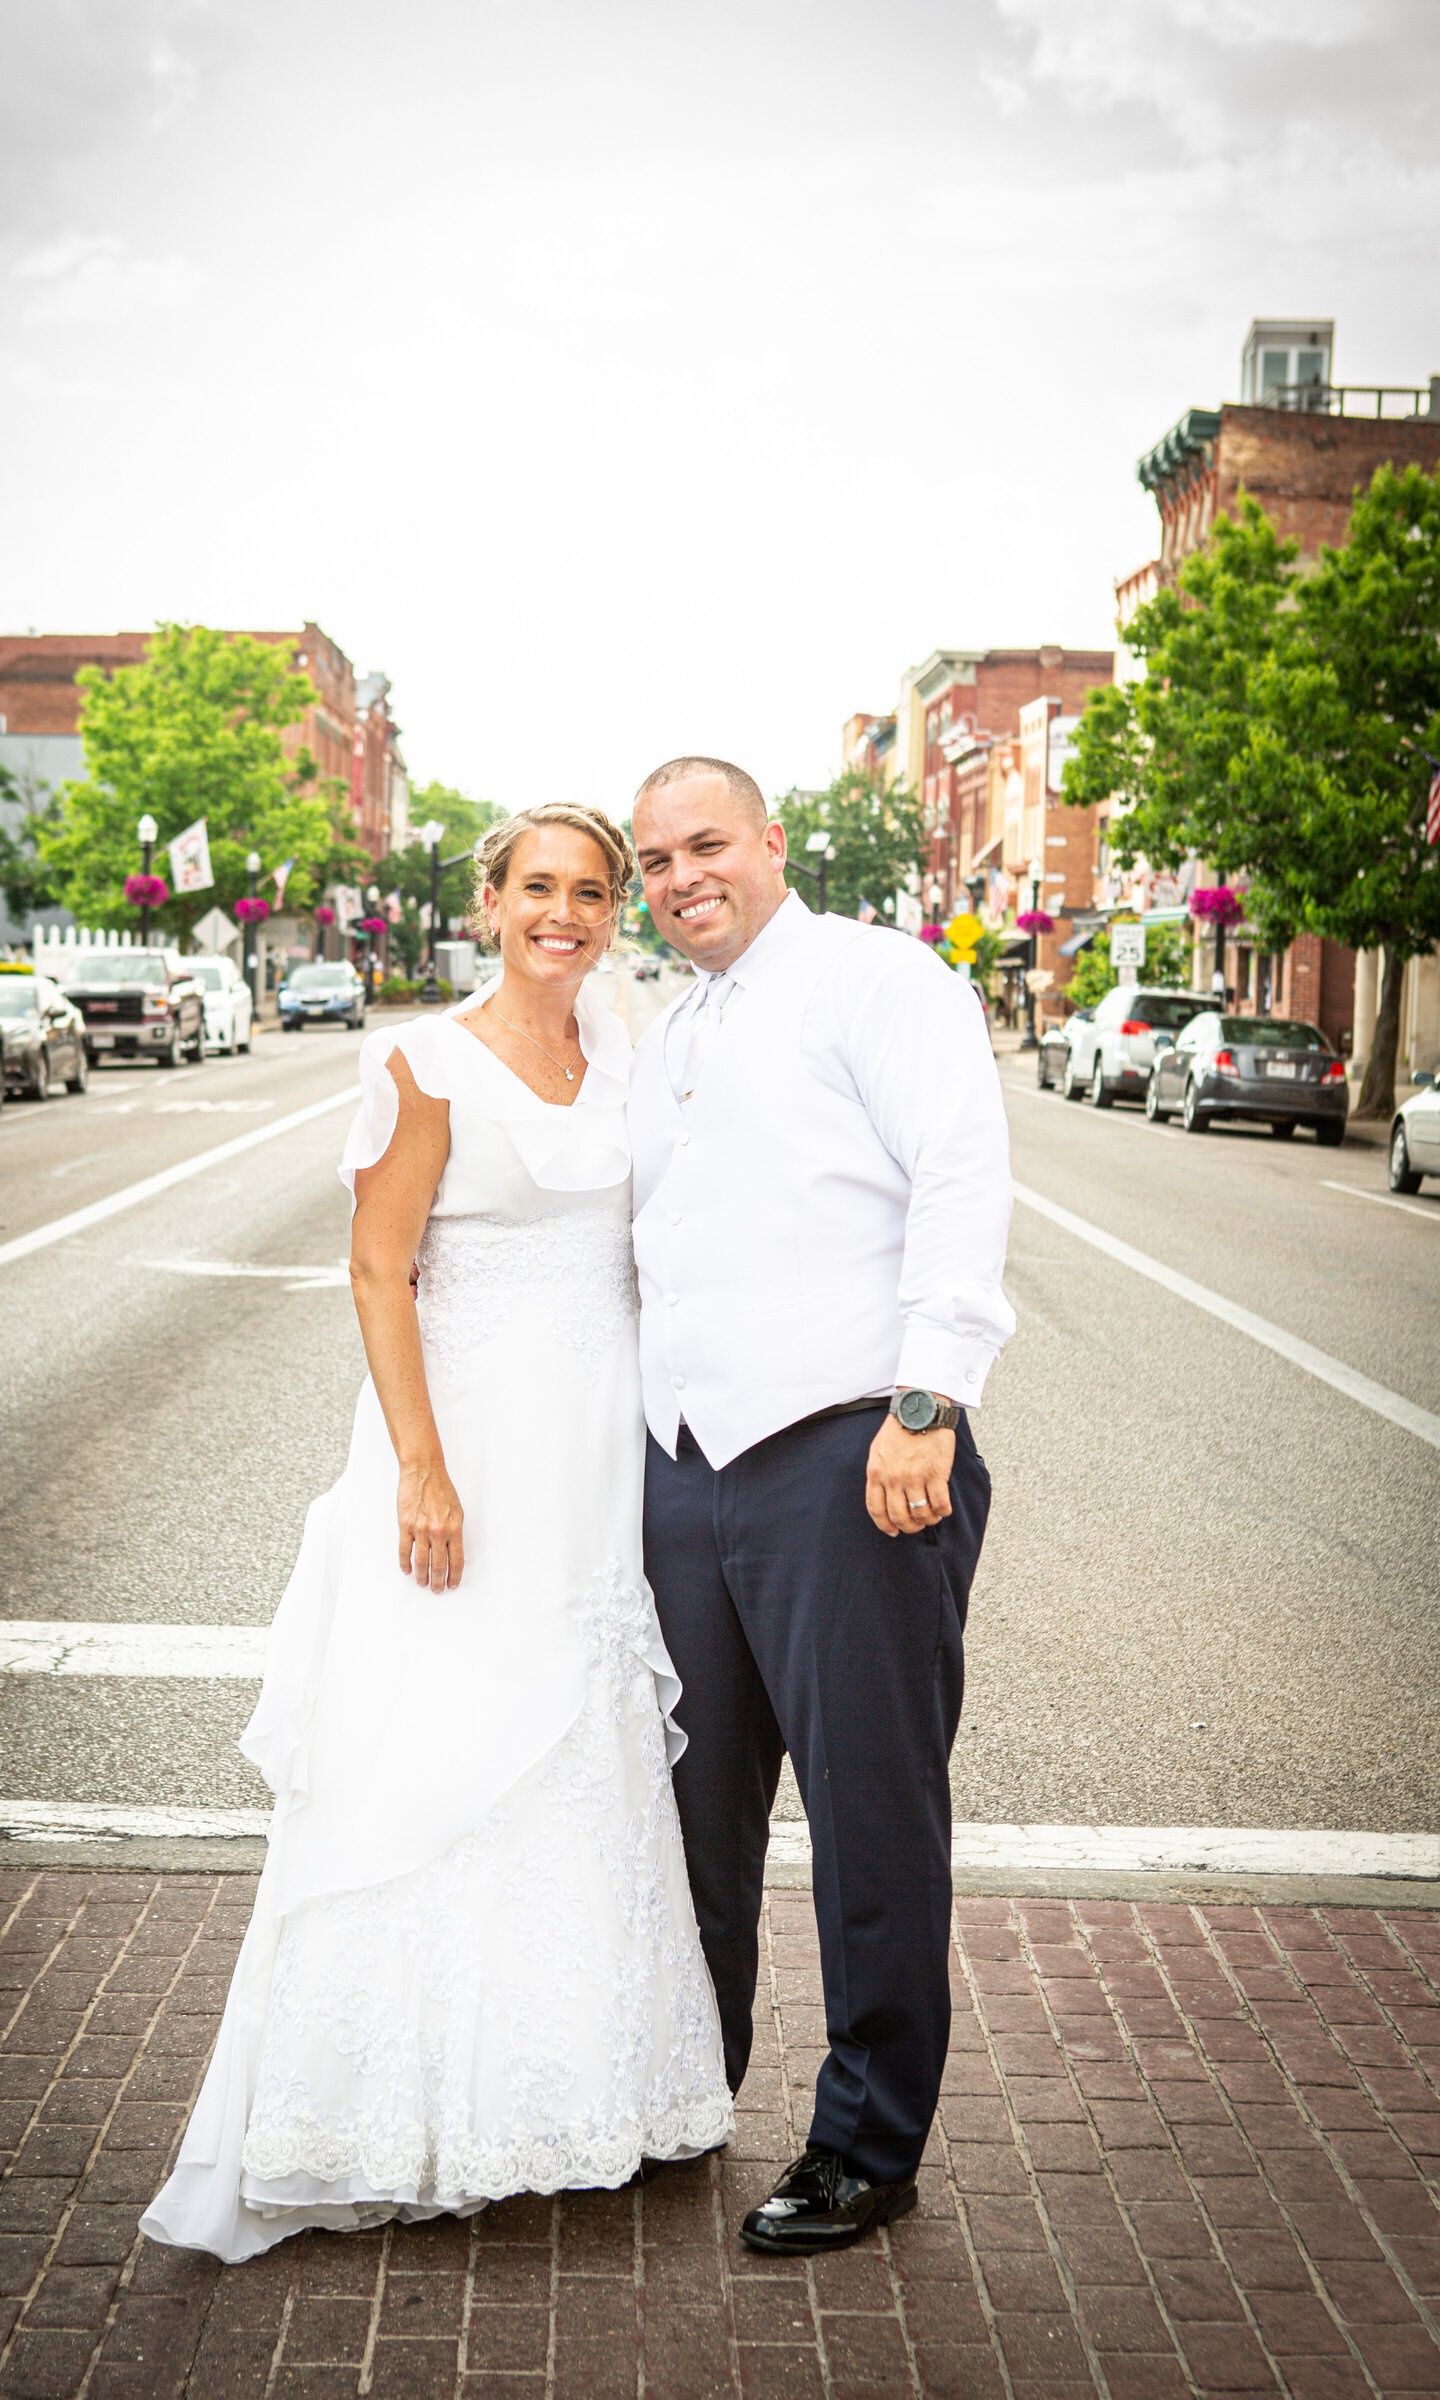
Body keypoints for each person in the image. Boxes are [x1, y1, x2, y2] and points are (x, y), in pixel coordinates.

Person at [142, 803, 733, 2262]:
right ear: (491, 902)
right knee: (442, 1743)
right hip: (468, 1442)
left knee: (577, 1740)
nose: (569, 913)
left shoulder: (636, 1057)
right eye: (540, 887)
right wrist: (421, 1468)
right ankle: (386, 2109)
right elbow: (376, 1265)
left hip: (600, 1456)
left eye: (594, 891)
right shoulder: (422, 1060)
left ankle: (576, 2096)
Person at [628, 757, 1014, 2257]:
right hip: (686, 1475)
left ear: (771, 842)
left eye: (704, 845)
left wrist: (928, 1399)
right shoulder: (672, 1029)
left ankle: (867, 2144)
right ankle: (681, 2092)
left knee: (870, 1821)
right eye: (655, 859)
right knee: (688, 1817)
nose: (677, 878)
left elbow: (961, 1181)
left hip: (855, 1459)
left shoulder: (881, 978)